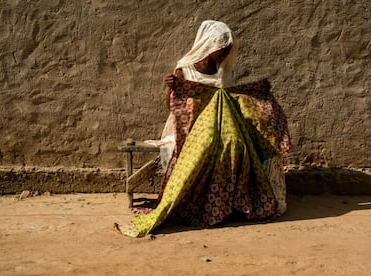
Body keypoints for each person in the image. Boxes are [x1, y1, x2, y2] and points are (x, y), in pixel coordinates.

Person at [115, 20, 290, 238]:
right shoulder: (184, 69)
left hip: (221, 128)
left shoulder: (222, 70)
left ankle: (227, 205)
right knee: (206, 148)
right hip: (187, 128)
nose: (225, 54)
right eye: (222, 49)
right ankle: (201, 204)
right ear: (209, 45)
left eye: (227, 50)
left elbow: (228, 104)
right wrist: (172, 89)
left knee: (236, 147)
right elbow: (172, 107)